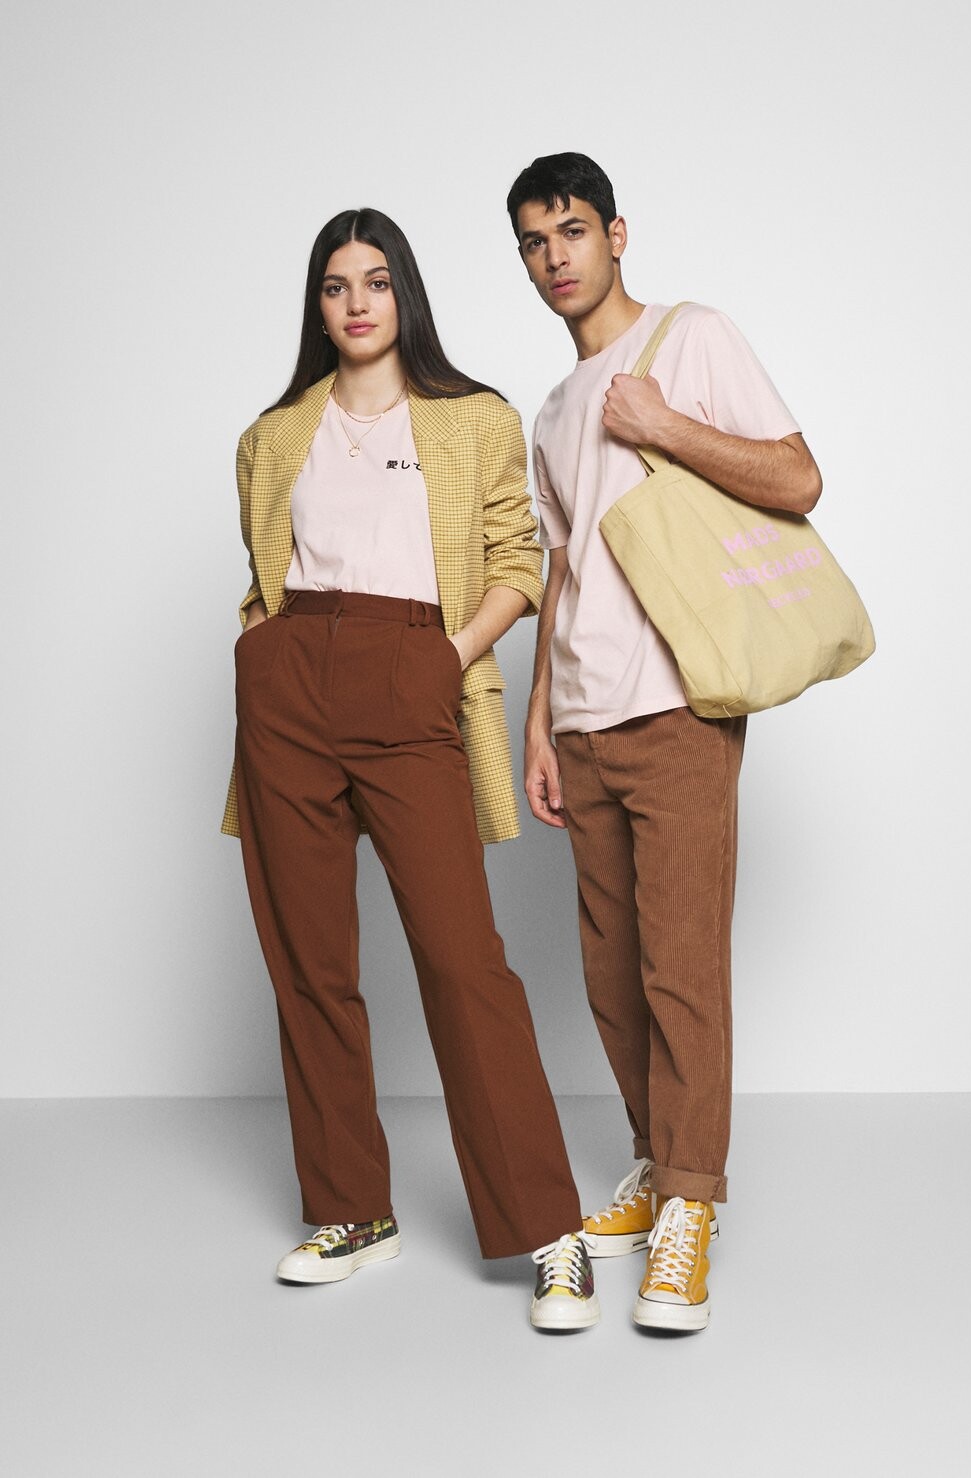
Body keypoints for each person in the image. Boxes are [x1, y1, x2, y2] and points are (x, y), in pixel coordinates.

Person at [221, 207, 598, 1330]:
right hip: (290, 686)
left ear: (405, 295)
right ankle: (349, 1209)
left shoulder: (471, 418)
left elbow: (521, 558)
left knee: (462, 959)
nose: (357, 302)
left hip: (411, 675)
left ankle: (549, 1228)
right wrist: (263, 657)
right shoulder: (274, 433)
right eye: (336, 284)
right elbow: (265, 567)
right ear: (317, 303)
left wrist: (447, 657)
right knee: (308, 961)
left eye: (376, 281)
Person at [506, 154, 822, 1331]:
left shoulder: (689, 339)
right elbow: (561, 567)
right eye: (534, 241)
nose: (556, 257)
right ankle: (655, 1156)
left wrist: (665, 426)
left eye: (572, 230)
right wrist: (537, 721)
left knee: (681, 966)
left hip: (682, 704)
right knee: (609, 974)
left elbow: (798, 476)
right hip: (584, 718)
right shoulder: (550, 412)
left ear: (617, 233)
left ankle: (692, 1199)